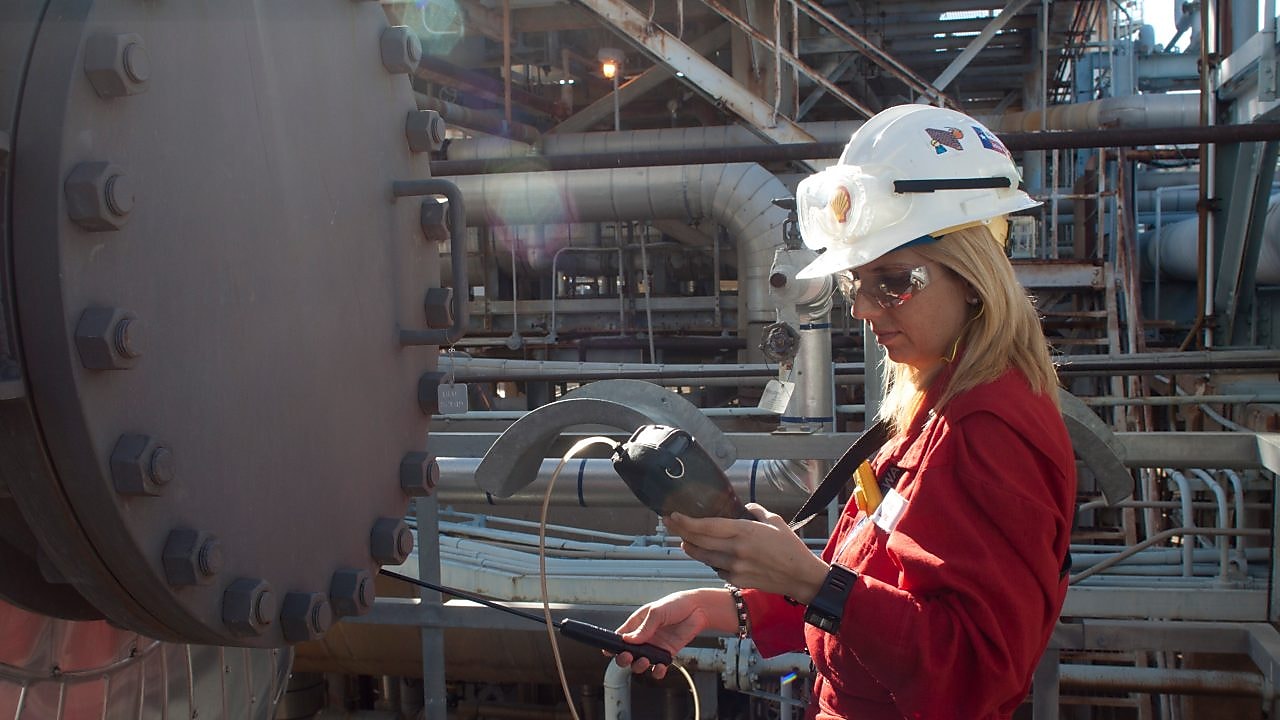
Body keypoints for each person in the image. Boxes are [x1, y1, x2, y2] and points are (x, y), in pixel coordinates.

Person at [611, 104, 1078, 719]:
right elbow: (871, 584)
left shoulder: (992, 430)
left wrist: (809, 580)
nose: (862, 308)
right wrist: (725, 608)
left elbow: (976, 675)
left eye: (894, 280)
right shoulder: (931, 407)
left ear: (973, 275)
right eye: (857, 282)